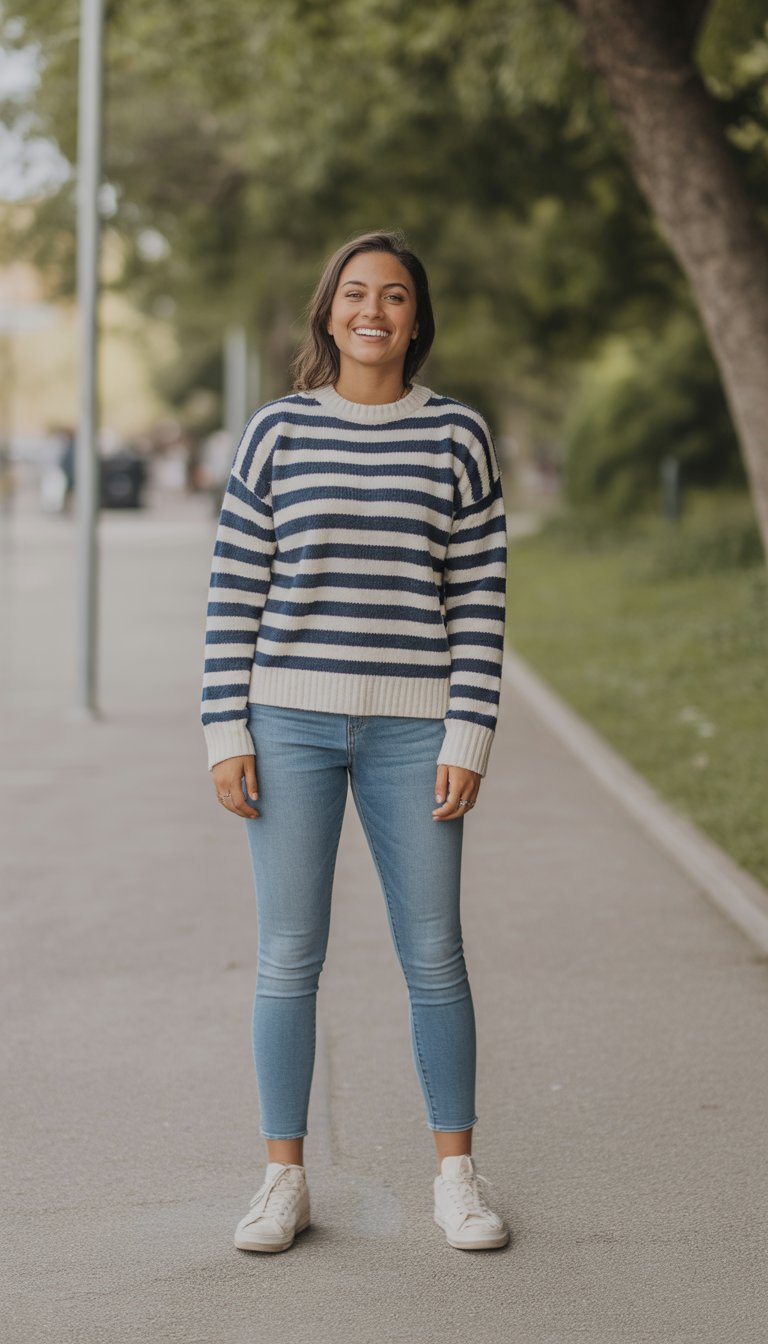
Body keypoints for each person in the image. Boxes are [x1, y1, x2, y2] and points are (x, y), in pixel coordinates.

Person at [200, 230, 509, 1254]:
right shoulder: (276, 433)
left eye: (394, 296)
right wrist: (223, 731)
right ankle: (282, 1181)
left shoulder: (457, 437)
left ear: (417, 321)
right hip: (285, 724)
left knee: (435, 955)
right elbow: (234, 592)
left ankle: (456, 1178)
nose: (372, 309)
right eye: (354, 292)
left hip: (416, 730)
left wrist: (469, 731)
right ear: (329, 312)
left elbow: (478, 602)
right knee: (288, 956)